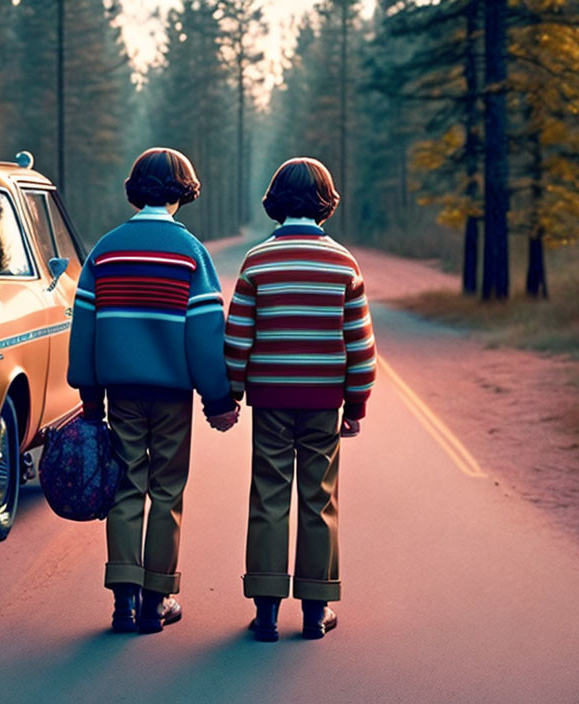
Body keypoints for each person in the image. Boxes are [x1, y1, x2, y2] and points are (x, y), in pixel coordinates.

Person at [68, 147, 239, 635]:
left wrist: (89, 394)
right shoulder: (191, 253)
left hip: (120, 393)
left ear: (134, 190)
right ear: (184, 193)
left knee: (126, 486)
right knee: (166, 490)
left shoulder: (106, 249)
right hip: (171, 397)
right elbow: (205, 334)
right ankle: (155, 601)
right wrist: (218, 400)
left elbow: (84, 327)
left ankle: (122, 603)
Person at [224, 157, 376, 642]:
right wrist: (355, 406)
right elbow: (360, 345)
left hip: (269, 400)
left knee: (268, 496)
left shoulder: (257, 261)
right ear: (326, 204)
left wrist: (232, 393)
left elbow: (237, 338)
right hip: (323, 402)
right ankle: (315, 612)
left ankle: (266, 612)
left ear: (275, 202)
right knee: (319, 499)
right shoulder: (343, 263)